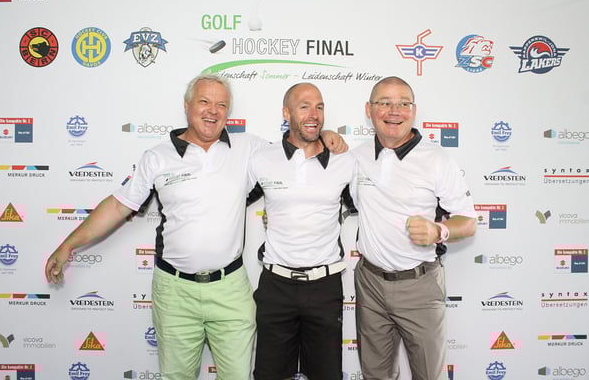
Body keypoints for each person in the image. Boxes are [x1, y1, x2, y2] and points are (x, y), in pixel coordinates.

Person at [44, 74, 347, 380]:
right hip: (174, 292)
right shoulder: (157, 157)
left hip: (230, 290)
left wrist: (324, 135)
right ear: (187, 105)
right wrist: (68, 244)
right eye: (204, 101)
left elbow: (296, 146)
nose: (213, 111)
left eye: (221, 105)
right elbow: (118, 206)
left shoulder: (249, 149)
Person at [351, 76, 476, 380]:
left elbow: (468, 222)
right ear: (369, 109)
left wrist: (438, 232)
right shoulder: (355, 157)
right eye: (385, 103)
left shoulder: (437, 159)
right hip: (370, 284)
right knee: (375, 375)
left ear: (414, 110)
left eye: (403, 104)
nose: (395, 111)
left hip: (419, 286)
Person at [248, 83, 355, 380]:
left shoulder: (345, 161)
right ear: (286, 113)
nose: (314, 114)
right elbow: (229, 200)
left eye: (319, 107)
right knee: (269, 375)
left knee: (326, 375)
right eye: (304, 106)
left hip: (325, 287)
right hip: (276, 286)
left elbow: (371, 207)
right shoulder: (262, 159)